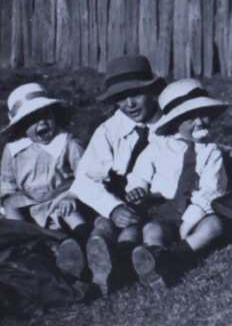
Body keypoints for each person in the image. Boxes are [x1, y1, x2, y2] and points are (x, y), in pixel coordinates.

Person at [69, 55, 166, 294]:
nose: (129, 104)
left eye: (136, 94)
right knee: (103, 222)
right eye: (121, 98)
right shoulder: (110, 130)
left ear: (152, 92)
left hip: (156, 203)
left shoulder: (170, 128)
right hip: (118, 200)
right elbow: (85, 178)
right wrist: (112, 208)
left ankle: (116, 265)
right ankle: (95, 251)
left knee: (137, 231)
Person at [124, 79, 228, 288]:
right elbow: (140, 173)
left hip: (197, 210)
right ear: (174, 122)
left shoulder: (211, 151)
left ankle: (175, 259)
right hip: (166, 209)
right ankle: (153, 256)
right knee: (153, 229)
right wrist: (138, 188)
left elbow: (212, 188)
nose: (199, 123)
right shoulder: (158, 148)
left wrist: (193, 217)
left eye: (204, 115)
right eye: (190, 118)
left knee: (214, 226)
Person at [0, 83, 88, 278]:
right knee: (10, 206)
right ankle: (38, 245)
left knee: (74, 216)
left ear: (55, 115)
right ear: (22, 127)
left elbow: (86, 174)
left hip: (60, 198)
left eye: (46, 116)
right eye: (31, 120)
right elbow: (6, 181)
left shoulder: (67, 143)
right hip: (29, 201)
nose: (41, 123)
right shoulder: (14, 149)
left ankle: (83, 247)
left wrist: (71, 195)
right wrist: (6, 199)